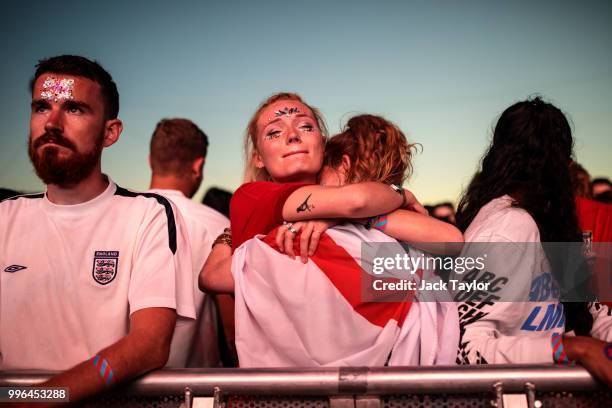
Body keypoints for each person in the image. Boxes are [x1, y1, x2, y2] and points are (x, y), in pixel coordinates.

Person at [200, 99, 462, 366]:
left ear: (323, 145)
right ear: (258, 157)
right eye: (274, 132)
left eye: (305, 127)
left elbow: (449, 239)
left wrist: (340, 218)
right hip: (290, 376)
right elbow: (355, 201)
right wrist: (399, 193)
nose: (292, 136)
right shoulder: (255, 195)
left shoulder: (354, 213)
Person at [0, 55, 195, 402]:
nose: (52, 123)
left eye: (74, 109)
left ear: (110, 132)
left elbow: (149, 345)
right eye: (41, 107)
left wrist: (36, 400)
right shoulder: (5, 217)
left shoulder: (147, 213)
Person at [452, 97, 612, 386]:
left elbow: (586, 310)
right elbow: (466, 350)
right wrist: (573, 348)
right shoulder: (506, 228)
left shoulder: (549, 221)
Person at [148, 118, 229, 367]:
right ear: (198, 166)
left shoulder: (116, 216)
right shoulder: (217, 225)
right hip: (192, 392)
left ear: (151, 160)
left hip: (113, 387)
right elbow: (233, 328)